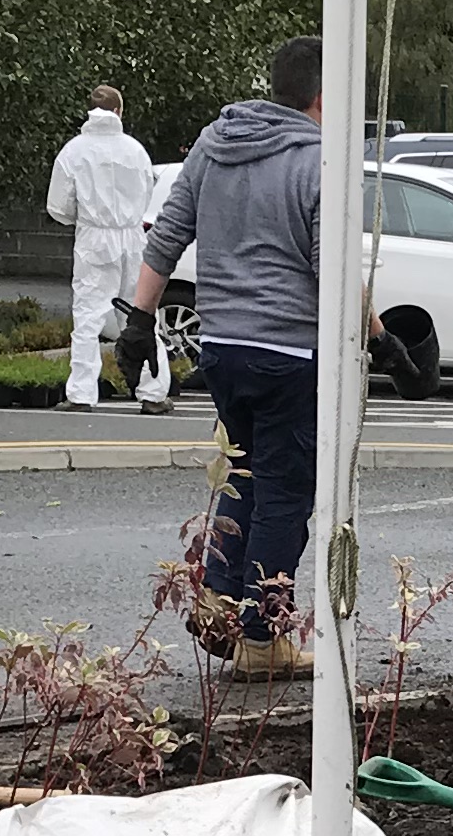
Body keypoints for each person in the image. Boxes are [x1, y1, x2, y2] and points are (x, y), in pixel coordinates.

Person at [130, 34, 333, 680]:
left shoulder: (216, 144)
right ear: (324, 96)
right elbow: (329, 271)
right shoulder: (317, 160)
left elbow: (168, 234)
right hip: (287, 352)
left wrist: (138, 321)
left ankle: (219, 600)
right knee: (285, 493)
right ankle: (263, 636)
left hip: (220, 348)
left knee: (244, 473)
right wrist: (381, 340)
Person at [47, 84, 166, 410]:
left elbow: (58, 207)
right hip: (131, 236)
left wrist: (85, 219)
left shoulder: (74, 150)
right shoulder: (135, 150)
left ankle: (82, 394)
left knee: (88, 317)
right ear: (119, 111)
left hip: (94, 239)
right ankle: (153, 392)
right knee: (140, 315)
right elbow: (146, 196)